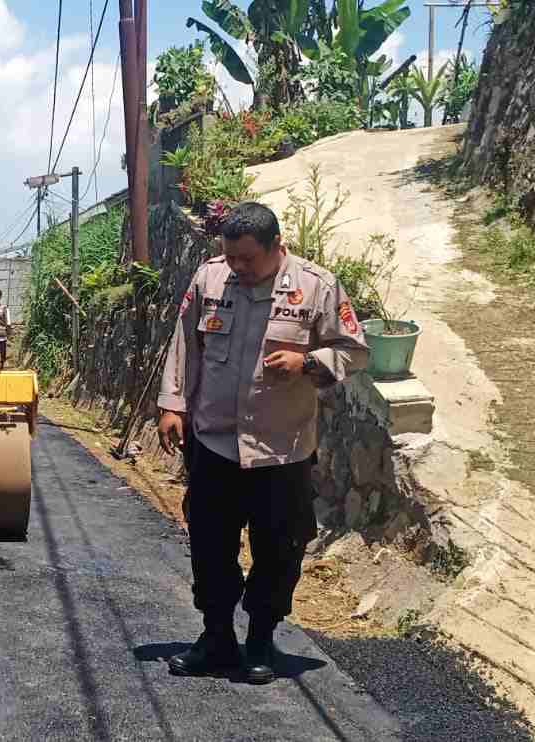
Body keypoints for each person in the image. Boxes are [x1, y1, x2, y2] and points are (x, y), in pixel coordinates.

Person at [156, 201, 369, 685]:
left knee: (278, 549)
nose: (239, 268)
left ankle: (259, 639)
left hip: (282, 449)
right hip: (214, 444)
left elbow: (353, 350)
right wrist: (173, 405)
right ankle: (215, 637)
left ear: (278, 247)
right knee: (210, 547)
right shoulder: (209, 279)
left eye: (249, 259)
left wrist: (309, 362)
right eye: (231, 258)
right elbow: (185, 343)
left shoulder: (317, 286)